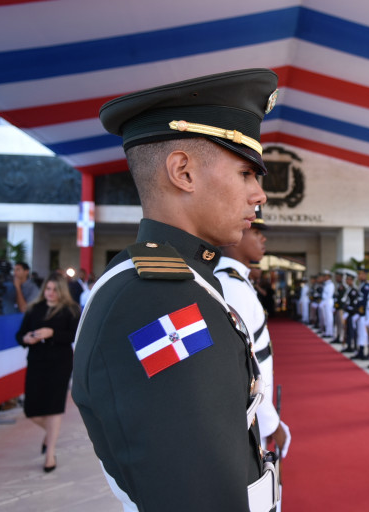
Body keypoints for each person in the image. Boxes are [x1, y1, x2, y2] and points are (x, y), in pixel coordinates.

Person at [71, 69, 281, 512]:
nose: (259, 194)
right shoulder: (157, 301)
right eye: (246, 172)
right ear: (183, 172)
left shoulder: (183, 282)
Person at [215, 208, 291, 461]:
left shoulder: (238, 280)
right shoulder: (231, 285)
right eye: (256, 232)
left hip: (254, 409)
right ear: (237, 235)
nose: (263, 238)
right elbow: (242, 365)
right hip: (249, 412)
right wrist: (271, 422)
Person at [15, 272, 81, 472]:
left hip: (59, 363)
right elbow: (19, 334)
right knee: (31, 410)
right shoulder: (34, 309)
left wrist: (52, 333)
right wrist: (27, 338)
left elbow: (74, 335)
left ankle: (50, 454)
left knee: (54, 407)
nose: (50, 293)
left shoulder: (70, 310)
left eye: (55, 289)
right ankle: (50, 434)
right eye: (48, 289)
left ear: (62, 291)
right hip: (37, 361)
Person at [351, 267, 369, 361]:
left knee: (364, 334)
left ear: (365, 275)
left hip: (364, 314)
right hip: (360, 314)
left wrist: (360, 313)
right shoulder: (361, 285)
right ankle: (360, 351)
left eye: (360, 274)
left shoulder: (367, 286)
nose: (358, 276)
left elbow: (365, 301)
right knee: (360, 333)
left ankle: (367, 353)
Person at [319, 269, 335, 339]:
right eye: (324, 276)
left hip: (328, 302)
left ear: (329, 277)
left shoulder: (331, 284)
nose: (325, 277)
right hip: (325, 301)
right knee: (325, 317)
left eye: (326, 276)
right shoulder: (326, 284)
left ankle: (330, 332)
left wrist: (325, 302)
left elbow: (329, 295)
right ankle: (327, 331)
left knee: (329, 317)